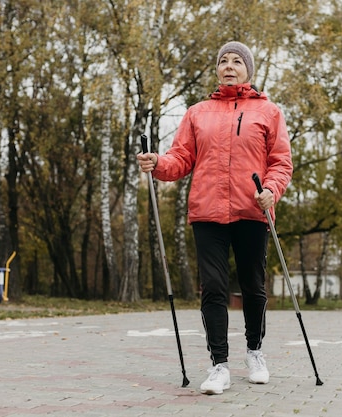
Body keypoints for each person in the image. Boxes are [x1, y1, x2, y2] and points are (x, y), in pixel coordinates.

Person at [137, 41, 293, 395]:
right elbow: (180, 158)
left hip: (253, 211)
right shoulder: (197, 112)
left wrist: (271, 190)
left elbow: (281, 163)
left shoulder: (268, 112)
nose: (229, 65)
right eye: (223, 60)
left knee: (253, 287)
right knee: (213, 288)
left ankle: (255, 352)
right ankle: (218, 365)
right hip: (207, 213)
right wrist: (157, 163)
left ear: (248, 70)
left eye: (237, 61)